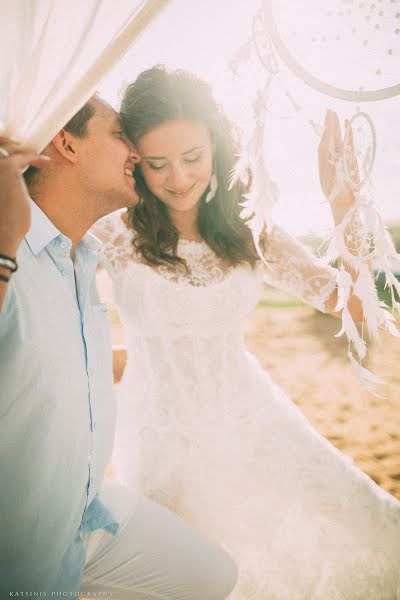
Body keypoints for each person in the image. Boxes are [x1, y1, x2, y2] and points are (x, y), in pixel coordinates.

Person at [94, 66, 400, 600]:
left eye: (192, 157)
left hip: (254, 423)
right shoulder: (114, 230)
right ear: (135, 161)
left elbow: (347, 301)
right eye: (157, 164)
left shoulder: (249, 228)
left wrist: (341, 203)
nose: (179, 178)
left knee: (356, 533)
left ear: (217, 144)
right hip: (159, 437)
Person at [0, 96, 237, 598]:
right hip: (17, 549)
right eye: (119, 133)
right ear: (66, 141)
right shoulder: (9, 251)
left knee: (209, 576)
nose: (137, 149)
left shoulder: (83, 257)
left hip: (84, 515)